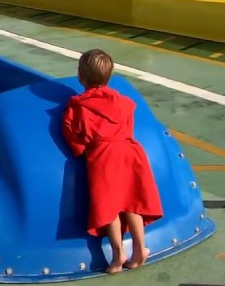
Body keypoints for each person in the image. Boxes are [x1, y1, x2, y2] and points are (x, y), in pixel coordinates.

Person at [61, 49, 163, 273]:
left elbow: (73, 136)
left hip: (103, 157)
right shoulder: (124, 102)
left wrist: (82, 152)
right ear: (109, 76)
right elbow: (128, 127)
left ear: (80, 77)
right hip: (131, 152)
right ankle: (140, 249)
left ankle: (118, 255)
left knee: (110, 207)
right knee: (132, 203)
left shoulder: (78, 107)